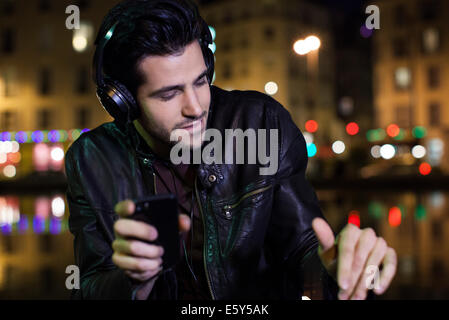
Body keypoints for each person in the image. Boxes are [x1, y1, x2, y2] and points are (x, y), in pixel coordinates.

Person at [65, 0, 397, 300]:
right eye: (169, 95)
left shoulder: (260, 122)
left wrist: (338, 268)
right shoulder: (91, 158)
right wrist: (133, 280)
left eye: (200, 81)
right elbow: (88, 287)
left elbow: (303, 249)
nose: (195, 107)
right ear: (123, 101)